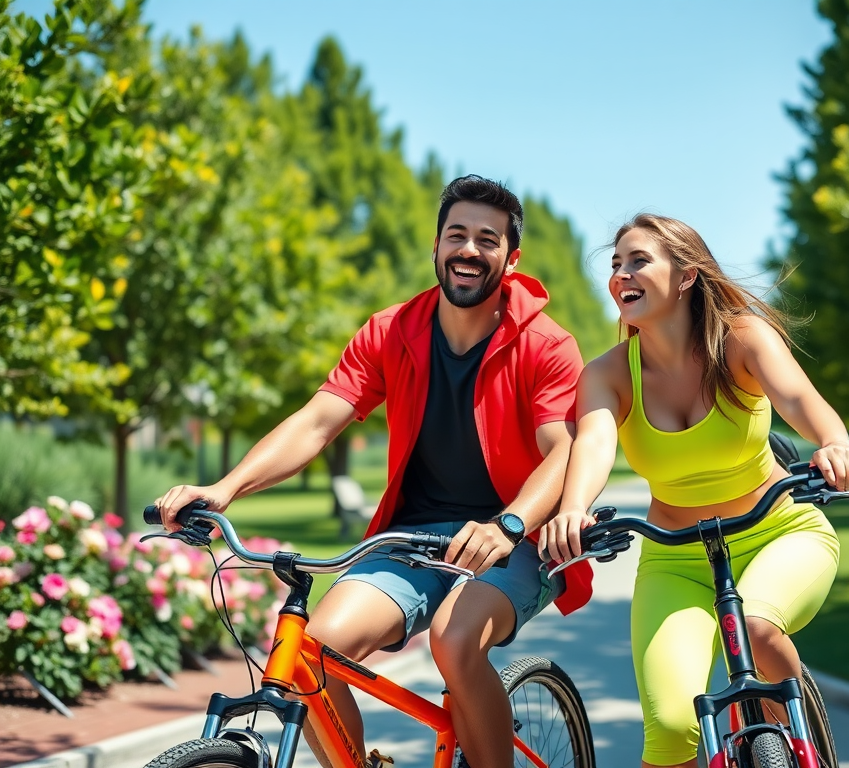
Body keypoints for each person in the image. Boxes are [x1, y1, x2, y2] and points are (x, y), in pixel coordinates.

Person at [153, 175, 593, 768]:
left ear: (511, 259)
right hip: (412, 539)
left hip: (516, 540)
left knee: (455, 642)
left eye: (487, 240)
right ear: (435, 248)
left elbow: (560, 450)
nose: (469, 249)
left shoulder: (545, 344)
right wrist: (225, 488)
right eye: (456, 234)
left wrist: (507, 525)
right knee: (316, 652)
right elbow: (316, 423)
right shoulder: (391, 331)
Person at [537, 214, 849, 768]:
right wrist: (572, 508)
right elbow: (593, 445)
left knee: (757, 624)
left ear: (686, 275)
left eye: (638, 260)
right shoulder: (609, 374)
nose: (621, 275)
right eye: (616, 265)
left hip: (780, 532)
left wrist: (834, 442)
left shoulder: (742, 338)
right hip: (676, 559)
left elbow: (798, 399)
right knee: (669, 729)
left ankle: (803, 741)